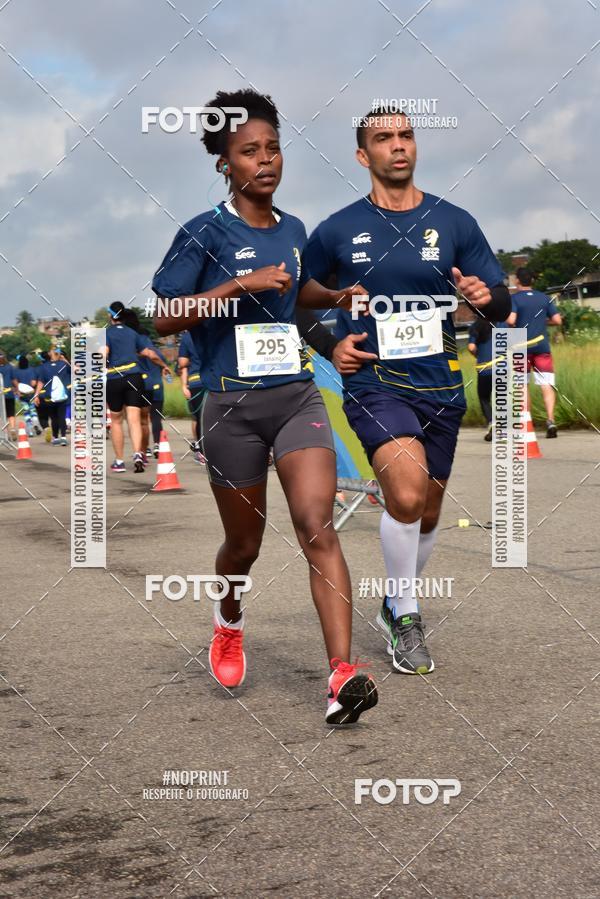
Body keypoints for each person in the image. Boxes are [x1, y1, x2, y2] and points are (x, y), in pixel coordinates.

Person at [152, 88, 378, 725]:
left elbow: (296, 297)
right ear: (224, 163)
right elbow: (165, 317)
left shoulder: (296, 230)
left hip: (295, 397)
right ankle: (228, 617)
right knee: (243, 546)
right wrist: (234, 286)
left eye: (273, 148)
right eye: (249, 151)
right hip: (230, 407)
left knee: (318, 526)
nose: (266, 160)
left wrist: (335, 297)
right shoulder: (201, 233)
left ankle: (341, 675)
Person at [303, 109, 511, 675]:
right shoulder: (337, 230)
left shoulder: (455, 223)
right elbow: (296, 299)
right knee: (407, 491)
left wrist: (483, 296)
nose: (398, 146)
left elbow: (503, 304)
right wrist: (328, 346)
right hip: (374, 382)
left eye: (405, 135)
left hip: (441, 385)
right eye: (383, 139)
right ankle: (406, 613)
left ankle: (395, 599)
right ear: (362, 156)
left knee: (428, 505)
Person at [104, 301, 168, 473]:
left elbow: (103, 353)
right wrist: (164, 365)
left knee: (116, 421)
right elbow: (150, 353)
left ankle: (119, 461)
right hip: (134, 377)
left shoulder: (106, 333)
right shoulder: (133, 333)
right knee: (135, 419)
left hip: (115, 378)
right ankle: (138, 454)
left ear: (110, 316)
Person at [506, 267, 562, 437]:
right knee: (546, 384)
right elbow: (557, 320)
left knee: (522, 385)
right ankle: (551, 421)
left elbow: (511, 320)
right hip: (542, 347)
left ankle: (526, 423)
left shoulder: (514, 298)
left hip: (520, 347)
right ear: (532, 281)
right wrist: (543, 323)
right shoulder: (544, 298)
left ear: (517, 281)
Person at [178, 329, 206, 463]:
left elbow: (183, 363)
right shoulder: (214, 328)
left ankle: (202, 451)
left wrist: (184, 385)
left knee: (199, 419)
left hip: (196, 381)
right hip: (216, 379)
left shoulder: (187, 336)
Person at [467, 319, 498, 441]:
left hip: (485, 368)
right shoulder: (502, 322)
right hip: (503, 367)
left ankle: (492, 422)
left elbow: (471, 347)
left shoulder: (476, 325)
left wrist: (477, 354)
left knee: (484, 397)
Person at [33, 347, 71, 445]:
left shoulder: (44, 367)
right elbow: (74, 372)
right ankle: (63, 437)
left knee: (54, 418)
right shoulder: (63, 365)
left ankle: (55, 437)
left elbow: (40, 382)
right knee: (61, 416)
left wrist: (36, 395)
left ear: (50, 354)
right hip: (62, 395)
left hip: (49, 396)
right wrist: (65, 360)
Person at [15, 354, 41, 436]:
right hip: (31, 394)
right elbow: (33, 383)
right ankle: (36, 423)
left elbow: (16, 384)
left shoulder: (16, 371)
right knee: (33, 410)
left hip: (22, 395)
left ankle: (29, 430)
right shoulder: (32, 370)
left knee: (26, 412)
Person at [0, 351, 17, 439]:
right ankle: (13, 428)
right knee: (11, 413)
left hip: (0, 394)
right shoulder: (10, 367)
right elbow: (14, 379)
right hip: (9, 393)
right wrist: (17, 389)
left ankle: (5, 432)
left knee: (1, 415)